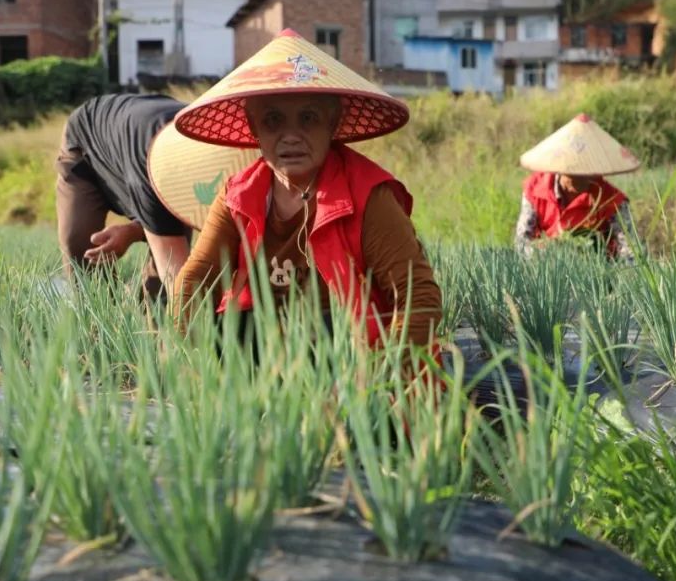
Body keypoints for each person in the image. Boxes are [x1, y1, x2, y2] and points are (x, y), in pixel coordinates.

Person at [171, 29, 442, 356]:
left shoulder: (369, 195)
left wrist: (377, 379)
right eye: (273, 120)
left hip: (350, 346)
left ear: (332, 124)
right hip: (267, 344)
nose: (290, 136)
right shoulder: (238, 196)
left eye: (308, 119)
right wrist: (195, 368)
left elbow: (416, 298)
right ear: (255, 129)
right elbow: (195, 279)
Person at [56, 93, 192, 299]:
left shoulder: (217, 164)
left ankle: (159, 326)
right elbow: (173, 267)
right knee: (80, 245)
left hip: (145, 133)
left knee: (163, 292)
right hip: (87, 143)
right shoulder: (152, 160)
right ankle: (101, 325)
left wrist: (131, 232)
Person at [514, 113, 641, 261]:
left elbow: (631, 250)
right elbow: (521, 242)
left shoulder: (612, 200)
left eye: (587, 174)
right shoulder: (535, 190)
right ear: (560, 169)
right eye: (574, 175)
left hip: (598, 268)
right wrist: (551, 252)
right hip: (547, 265)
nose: (582, 181)